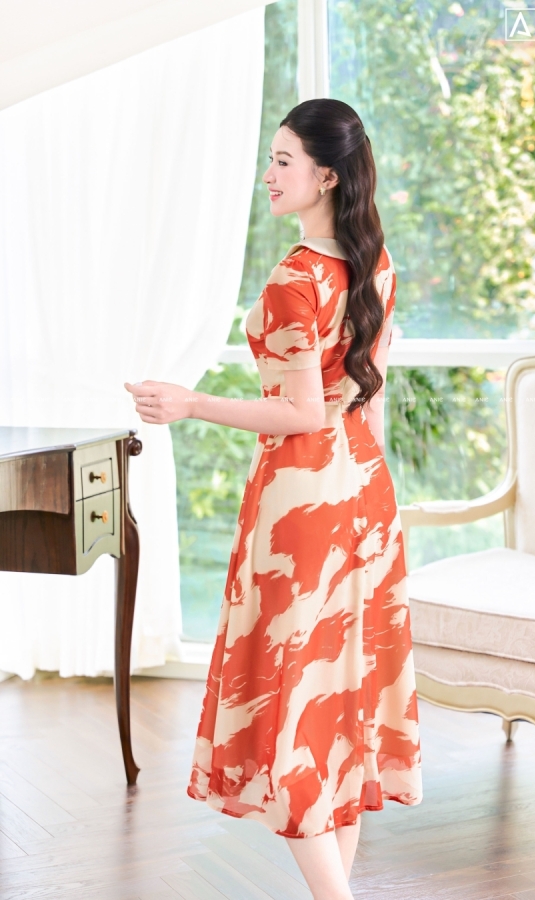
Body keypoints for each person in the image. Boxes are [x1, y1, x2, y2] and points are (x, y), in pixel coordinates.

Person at [125, 98, 422, 900]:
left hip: (303, 502)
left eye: (283, 160)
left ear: (326, 175)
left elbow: (299, 414)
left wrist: (191, 404)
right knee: (339, 707)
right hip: (365, 494)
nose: (269, 174)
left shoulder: (298, 276)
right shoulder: (376, 262)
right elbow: (365, 398)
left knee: (291, 707)